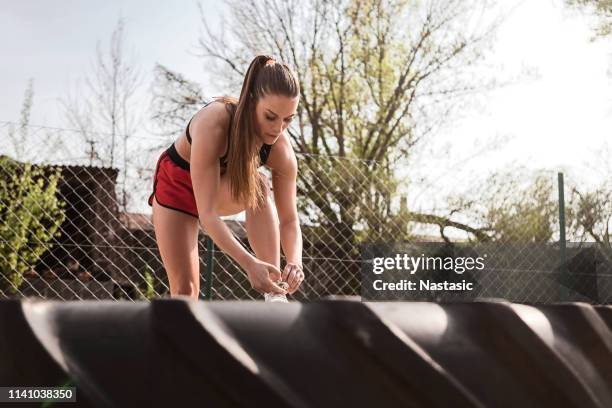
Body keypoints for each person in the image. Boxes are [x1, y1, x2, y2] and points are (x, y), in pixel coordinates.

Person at [148, 55, 304, 300]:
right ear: (251, 101)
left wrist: (295, 262)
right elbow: (207, 214)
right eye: (271, 117)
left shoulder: (280, 149)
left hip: (222, 189)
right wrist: (249, 263)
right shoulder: (215, 122)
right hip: (178, 188)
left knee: (259, 185)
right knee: (185, 292)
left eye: (288, 120)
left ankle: (275, 295)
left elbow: (290, 220)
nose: (278, 128)